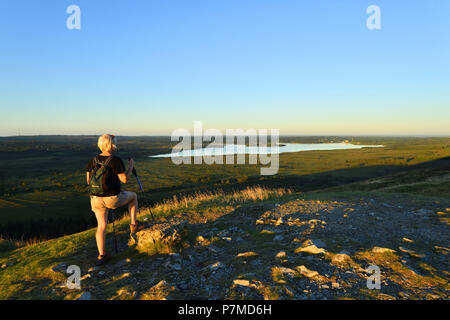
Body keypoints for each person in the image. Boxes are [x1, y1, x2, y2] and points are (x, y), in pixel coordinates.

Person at [86, 134, 144, 264]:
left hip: (95, 199)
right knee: (133, 196)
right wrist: (131, 166)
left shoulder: (93, 160)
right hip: (112, 198)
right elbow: (124, 179)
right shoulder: (115, 160)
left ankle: (102, 255)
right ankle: (134, 224)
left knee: (101, 227)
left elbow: (88, 181)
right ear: (111, 145)